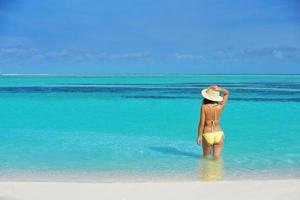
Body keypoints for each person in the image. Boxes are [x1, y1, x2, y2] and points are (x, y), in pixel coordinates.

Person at [197, 85, 229, 159]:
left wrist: (199, 136)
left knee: (206, 158)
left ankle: (206, 170)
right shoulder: (220, 107)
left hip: (207, 134)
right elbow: (227, 93)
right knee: (217, 159)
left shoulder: (204, 107)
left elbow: (202, 122)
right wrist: (219, 89)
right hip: (219, 133)